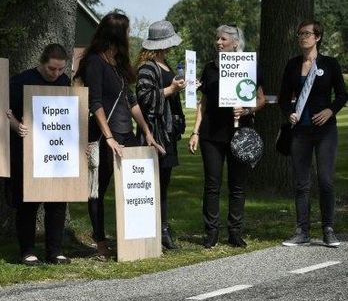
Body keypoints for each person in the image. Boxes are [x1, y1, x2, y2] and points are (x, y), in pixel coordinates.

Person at [74, 11, 163, 259]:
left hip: (127, 134)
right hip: (105, 137)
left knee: (135, 187)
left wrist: (147, 131)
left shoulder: (120, 62)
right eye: (126, 30)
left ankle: (136, 239)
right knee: (98, 191)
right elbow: (96, 103)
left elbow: (131, 100)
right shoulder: (94, 62)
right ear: (117, 33)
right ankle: (100, 241)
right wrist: (109, 137)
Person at [188, 24, 266, 249]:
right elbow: (203, 103)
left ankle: (235, 232)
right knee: (212, 185)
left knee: (237, 186)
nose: (218, 43)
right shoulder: (210, 68)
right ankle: (211, 232)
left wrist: (247, 110)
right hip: (211, 135)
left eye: (223, 39)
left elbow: (260, 99)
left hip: (240, 135)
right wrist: (195, 131)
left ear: (235, 43)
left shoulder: (248, 66)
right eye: (217, 39)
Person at [279, 20, 347, 247]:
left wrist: (330, 110)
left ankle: (328, 229)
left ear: (317, 37)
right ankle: (302, 231)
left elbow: (342, 95)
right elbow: (282, 98)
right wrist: (289, 113)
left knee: (326, 181)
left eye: (307, 34)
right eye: (300, 34)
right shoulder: (292, 65)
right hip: (300, 131)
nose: (302, 37)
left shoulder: (330, 64)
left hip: (325, 131)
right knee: (301, 183)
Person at [6, 44, 72, 265]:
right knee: (28, 203)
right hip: (28, 152)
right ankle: (27, 250)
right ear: (42, 63)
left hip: (56, 152)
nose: (56, 74)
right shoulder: (22, 80)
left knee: (57, 201)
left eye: (61, 69)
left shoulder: (64, 83)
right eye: (52, 69)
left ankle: (55, 251)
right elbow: (4, 111)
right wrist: (16, 126)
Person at [135, 20, 186, 250]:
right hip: (155, 132)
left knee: (163, 184)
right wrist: (170, 89)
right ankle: (155, 229)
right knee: (153, 184)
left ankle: (162, 227)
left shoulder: (165, 64)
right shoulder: (148, 67)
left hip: (168, 130)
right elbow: (144, 98)